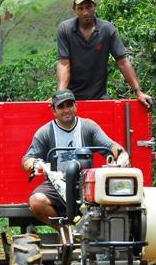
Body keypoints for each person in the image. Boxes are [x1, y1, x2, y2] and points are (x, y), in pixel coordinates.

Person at [22, 89, 130, 226]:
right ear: (54, 111)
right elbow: (27, 159)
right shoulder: (45, 132)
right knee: (36, 201)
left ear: (76, 106)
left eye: (69, 105)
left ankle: (105, 232)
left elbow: (110, 146)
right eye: (61, 106)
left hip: (87, 183)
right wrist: (34, 163)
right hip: (56, 184)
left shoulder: (88, 126)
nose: (66, 110)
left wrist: (122, 155)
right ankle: (67, 233)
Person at [56, 0, 154, 109]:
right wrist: (61, 95)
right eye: (80, 8)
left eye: (89, 7)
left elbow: (123, 62)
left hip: (99, 96)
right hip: (71, 97)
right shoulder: (65, 29)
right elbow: (64, 64)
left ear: (94, 7)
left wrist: (138, 92)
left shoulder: (107, 29)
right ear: (74, 10)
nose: (85, 12)